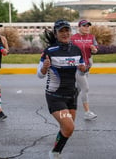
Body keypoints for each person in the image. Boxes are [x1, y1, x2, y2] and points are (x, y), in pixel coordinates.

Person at [37, 20, 86, 159]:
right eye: (61, 31)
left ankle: (56, 151)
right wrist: (45, 67)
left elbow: (82, 71)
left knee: (67, 130)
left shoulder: (77, 50)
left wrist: (84, 69)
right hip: (55, 96)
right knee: (69, 127)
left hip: (72, 95)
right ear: (56, 33)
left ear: (70, 31)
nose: (65, 34)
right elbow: (40, 75)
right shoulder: (49, 51)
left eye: (67, 30)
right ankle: (54, 153)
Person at [71, 19, 98, 120]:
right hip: (78, 67)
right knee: (85, 88)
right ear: (79, 27)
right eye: (84, 26)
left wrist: (94, 49)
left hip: (87, 67)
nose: (86, 28)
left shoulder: (91, 37)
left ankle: (69, 106)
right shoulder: (73, 38)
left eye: (88, 26)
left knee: (78, 89)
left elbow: (95, 49)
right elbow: (69, 52)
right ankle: (87, 112)